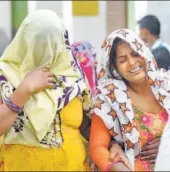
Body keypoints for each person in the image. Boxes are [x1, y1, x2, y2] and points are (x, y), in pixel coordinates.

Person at [0, 9, 92, 171]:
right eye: (40, 42)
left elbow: (87, 125)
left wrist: (113, 145)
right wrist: (24, 90)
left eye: (53, 42)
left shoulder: (72, 74)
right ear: (24, 41)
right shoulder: (6, 74)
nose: (48, 50)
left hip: (72, 165)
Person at [89, 28, 170, 171]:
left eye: (135, 54)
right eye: (122, 60)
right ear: (115, 67)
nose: (132, 62)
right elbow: (97, 148)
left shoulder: (166, 85)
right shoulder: (109, 99)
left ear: (144, 52)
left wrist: (166, 146)